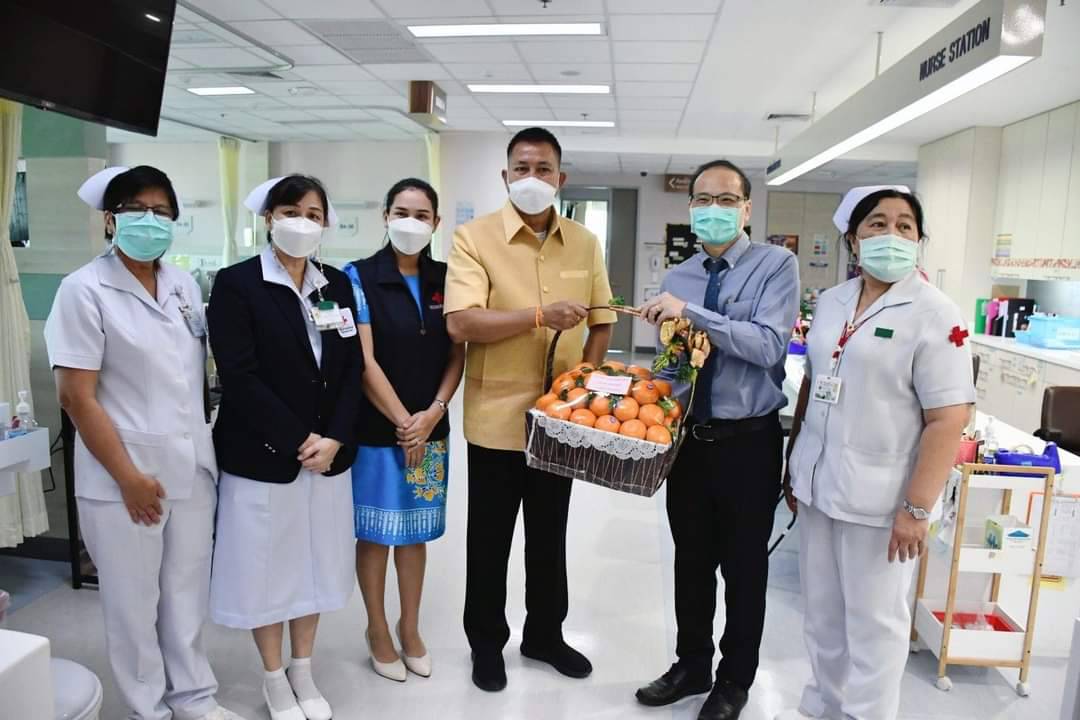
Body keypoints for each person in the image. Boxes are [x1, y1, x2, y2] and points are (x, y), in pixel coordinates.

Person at [44, 166, 245, 720]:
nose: (149, 220)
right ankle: (148, 708)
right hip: (122, 475)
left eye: (161, 210)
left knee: (185, 594)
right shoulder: (83, 290)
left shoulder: (182, 285)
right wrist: (128, 478)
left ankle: (194, 697)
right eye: (136, 208)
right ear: (111, 220)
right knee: (134, 604)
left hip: (191, 466)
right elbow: (75, 396)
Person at [775, 187, 973, 720]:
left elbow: (948, 418)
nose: (892, 235)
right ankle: (825, 705)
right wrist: (794, 468)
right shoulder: (833, 301)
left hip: (884, 504)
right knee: (822, 616)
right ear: (853, 239)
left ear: (919, 239)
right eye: (877, 224)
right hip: (817, 486)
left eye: (905, 226)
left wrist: (916, 508)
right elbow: (815, 380)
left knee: (874, 626)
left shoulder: (935, 313)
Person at [444, 126, 617, 692]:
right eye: (522, 168)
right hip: (495, 420)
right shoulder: (474, 238)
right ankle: (486, 643)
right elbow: (462, 322)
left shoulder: (585, 243)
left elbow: (602, 320)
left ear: (560, 178)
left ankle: (544, 635)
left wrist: (583, 386)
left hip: (561, 425)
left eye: (543, 169)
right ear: (505, 175)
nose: (532, 178)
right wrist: (538, 316)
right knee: (489, 541)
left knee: (549, 536)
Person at [637, 159, 800, 720]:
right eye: (703, 200)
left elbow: (768, 345)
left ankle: (734, 680)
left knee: (744, 567)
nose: (714, 210)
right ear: (690, 209)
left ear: (746, 209)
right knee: (691, 560)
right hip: (690, 443)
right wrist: (640, 390)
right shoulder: (678, 276)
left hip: (748, 441)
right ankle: (692, 665)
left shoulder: (776, 265)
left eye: (727, 200)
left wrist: (692, 313)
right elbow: (674, 366)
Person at [207, 175, 363, 720]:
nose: (302, 222)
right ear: (269, 218)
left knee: (314, 565)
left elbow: (351, 370)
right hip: (263, 455)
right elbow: (240, 375)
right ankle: (274, 679)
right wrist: (300, 440)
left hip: (328, 458)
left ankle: (303, 669)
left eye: (314, 214)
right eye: (291, 211)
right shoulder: (237, 284)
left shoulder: (334, 285)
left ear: (326, 224)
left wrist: (336, 437)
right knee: (265, 569)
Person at [343, 178, 465, 682]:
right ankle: (377, 629)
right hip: (377, 432)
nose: (410, 223)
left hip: (431, 430)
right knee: (375, 535)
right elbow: (364, 360)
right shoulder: (358, 277)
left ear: (436, 223)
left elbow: (457, 352)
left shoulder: (449, 278)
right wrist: (403, 422)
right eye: (401, 212)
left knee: (414, 534)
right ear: (385, 216)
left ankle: (409, 627)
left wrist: (432, 413)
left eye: (421, 215)